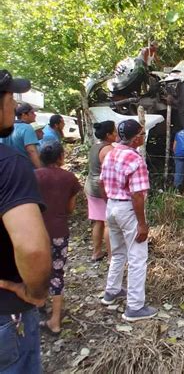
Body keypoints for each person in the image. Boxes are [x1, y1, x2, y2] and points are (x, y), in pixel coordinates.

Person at [0, 69, 51, 373]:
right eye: (11, 98)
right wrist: (36, 292)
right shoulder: (9, 165)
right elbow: (33, 249)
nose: (15, 106)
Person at [100, 119, 157, 322]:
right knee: (137, 257)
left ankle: (111, 291)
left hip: (112, 206)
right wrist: (142, 223)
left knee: (118, 253)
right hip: (127, 209)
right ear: (135, 139)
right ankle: (134, 306)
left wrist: (111, 203)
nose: (143, 137)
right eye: (141, 134)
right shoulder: (135, 160)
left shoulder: (110, 153)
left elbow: (101, 183)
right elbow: (137, 195)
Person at [35, 142, 82, 335]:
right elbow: (70, 209)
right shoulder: (69, 178)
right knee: (57, 273)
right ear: (61, 157)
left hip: (35, 232)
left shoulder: (32, 176)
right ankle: (55, 321)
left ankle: (38, 303)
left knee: (36, 270)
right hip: (59, 232)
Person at [85, 121, 117, 262]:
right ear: (108, 135)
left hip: (91, 186)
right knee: (108, 223)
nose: (116, 134)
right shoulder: (109, 150)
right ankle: (111, 257)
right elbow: (110, 173)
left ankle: (96, 252)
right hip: (102, 188)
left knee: (98, 221)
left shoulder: (95, 146)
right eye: (114, 132)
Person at [0, 102, 41, 168]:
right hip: (24, 169)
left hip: (7, 168)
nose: (35, 115)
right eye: (32, 113)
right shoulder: (27, 128)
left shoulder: (7, 127)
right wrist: (41, 169)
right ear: (24, 115)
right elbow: (32, 151)